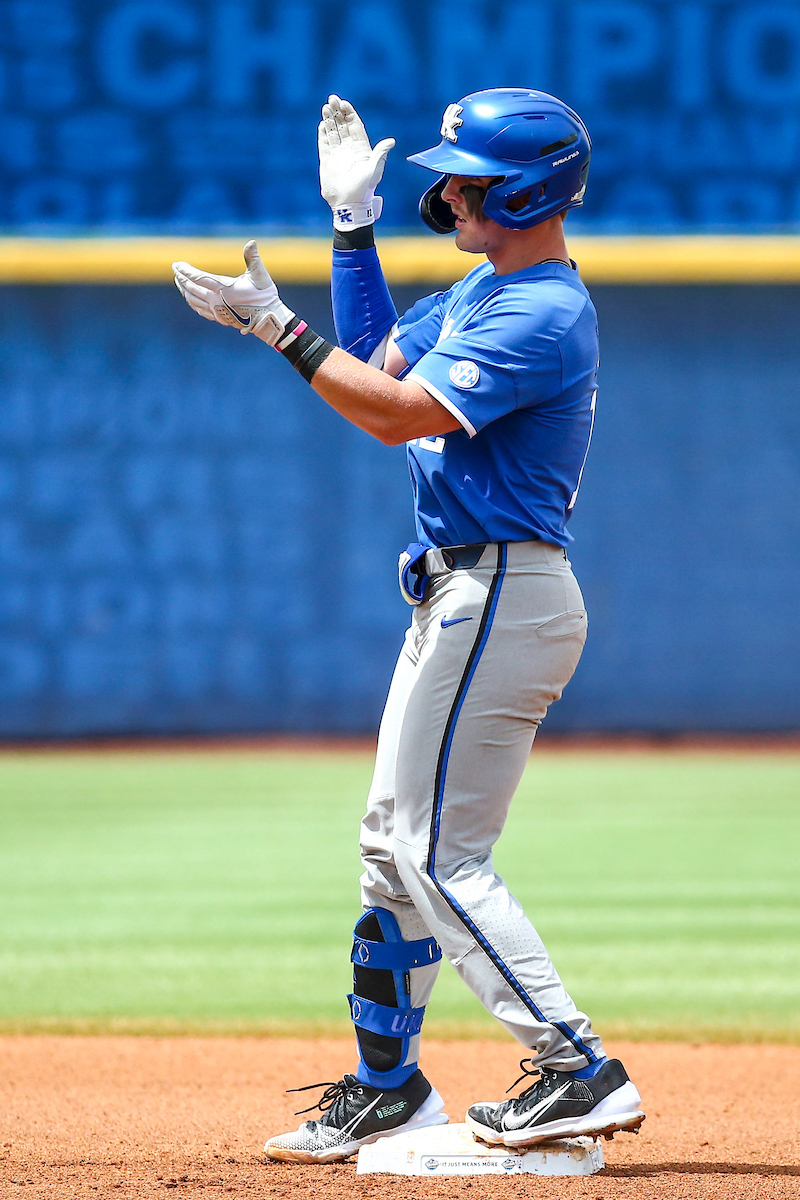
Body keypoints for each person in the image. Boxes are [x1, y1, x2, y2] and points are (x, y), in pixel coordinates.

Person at [173, 87, 645, 1165]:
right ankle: (389, 1089)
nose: (446, 190)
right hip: (461, 595)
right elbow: (380, 361)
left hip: (501, 593)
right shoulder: (485, 290)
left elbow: (391, 419)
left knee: (437, 853)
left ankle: (579, 1068)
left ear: (527, 188)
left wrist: (273, 325)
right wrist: (351, 233)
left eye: (467, 175)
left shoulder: (542, 310)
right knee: (390, 858)